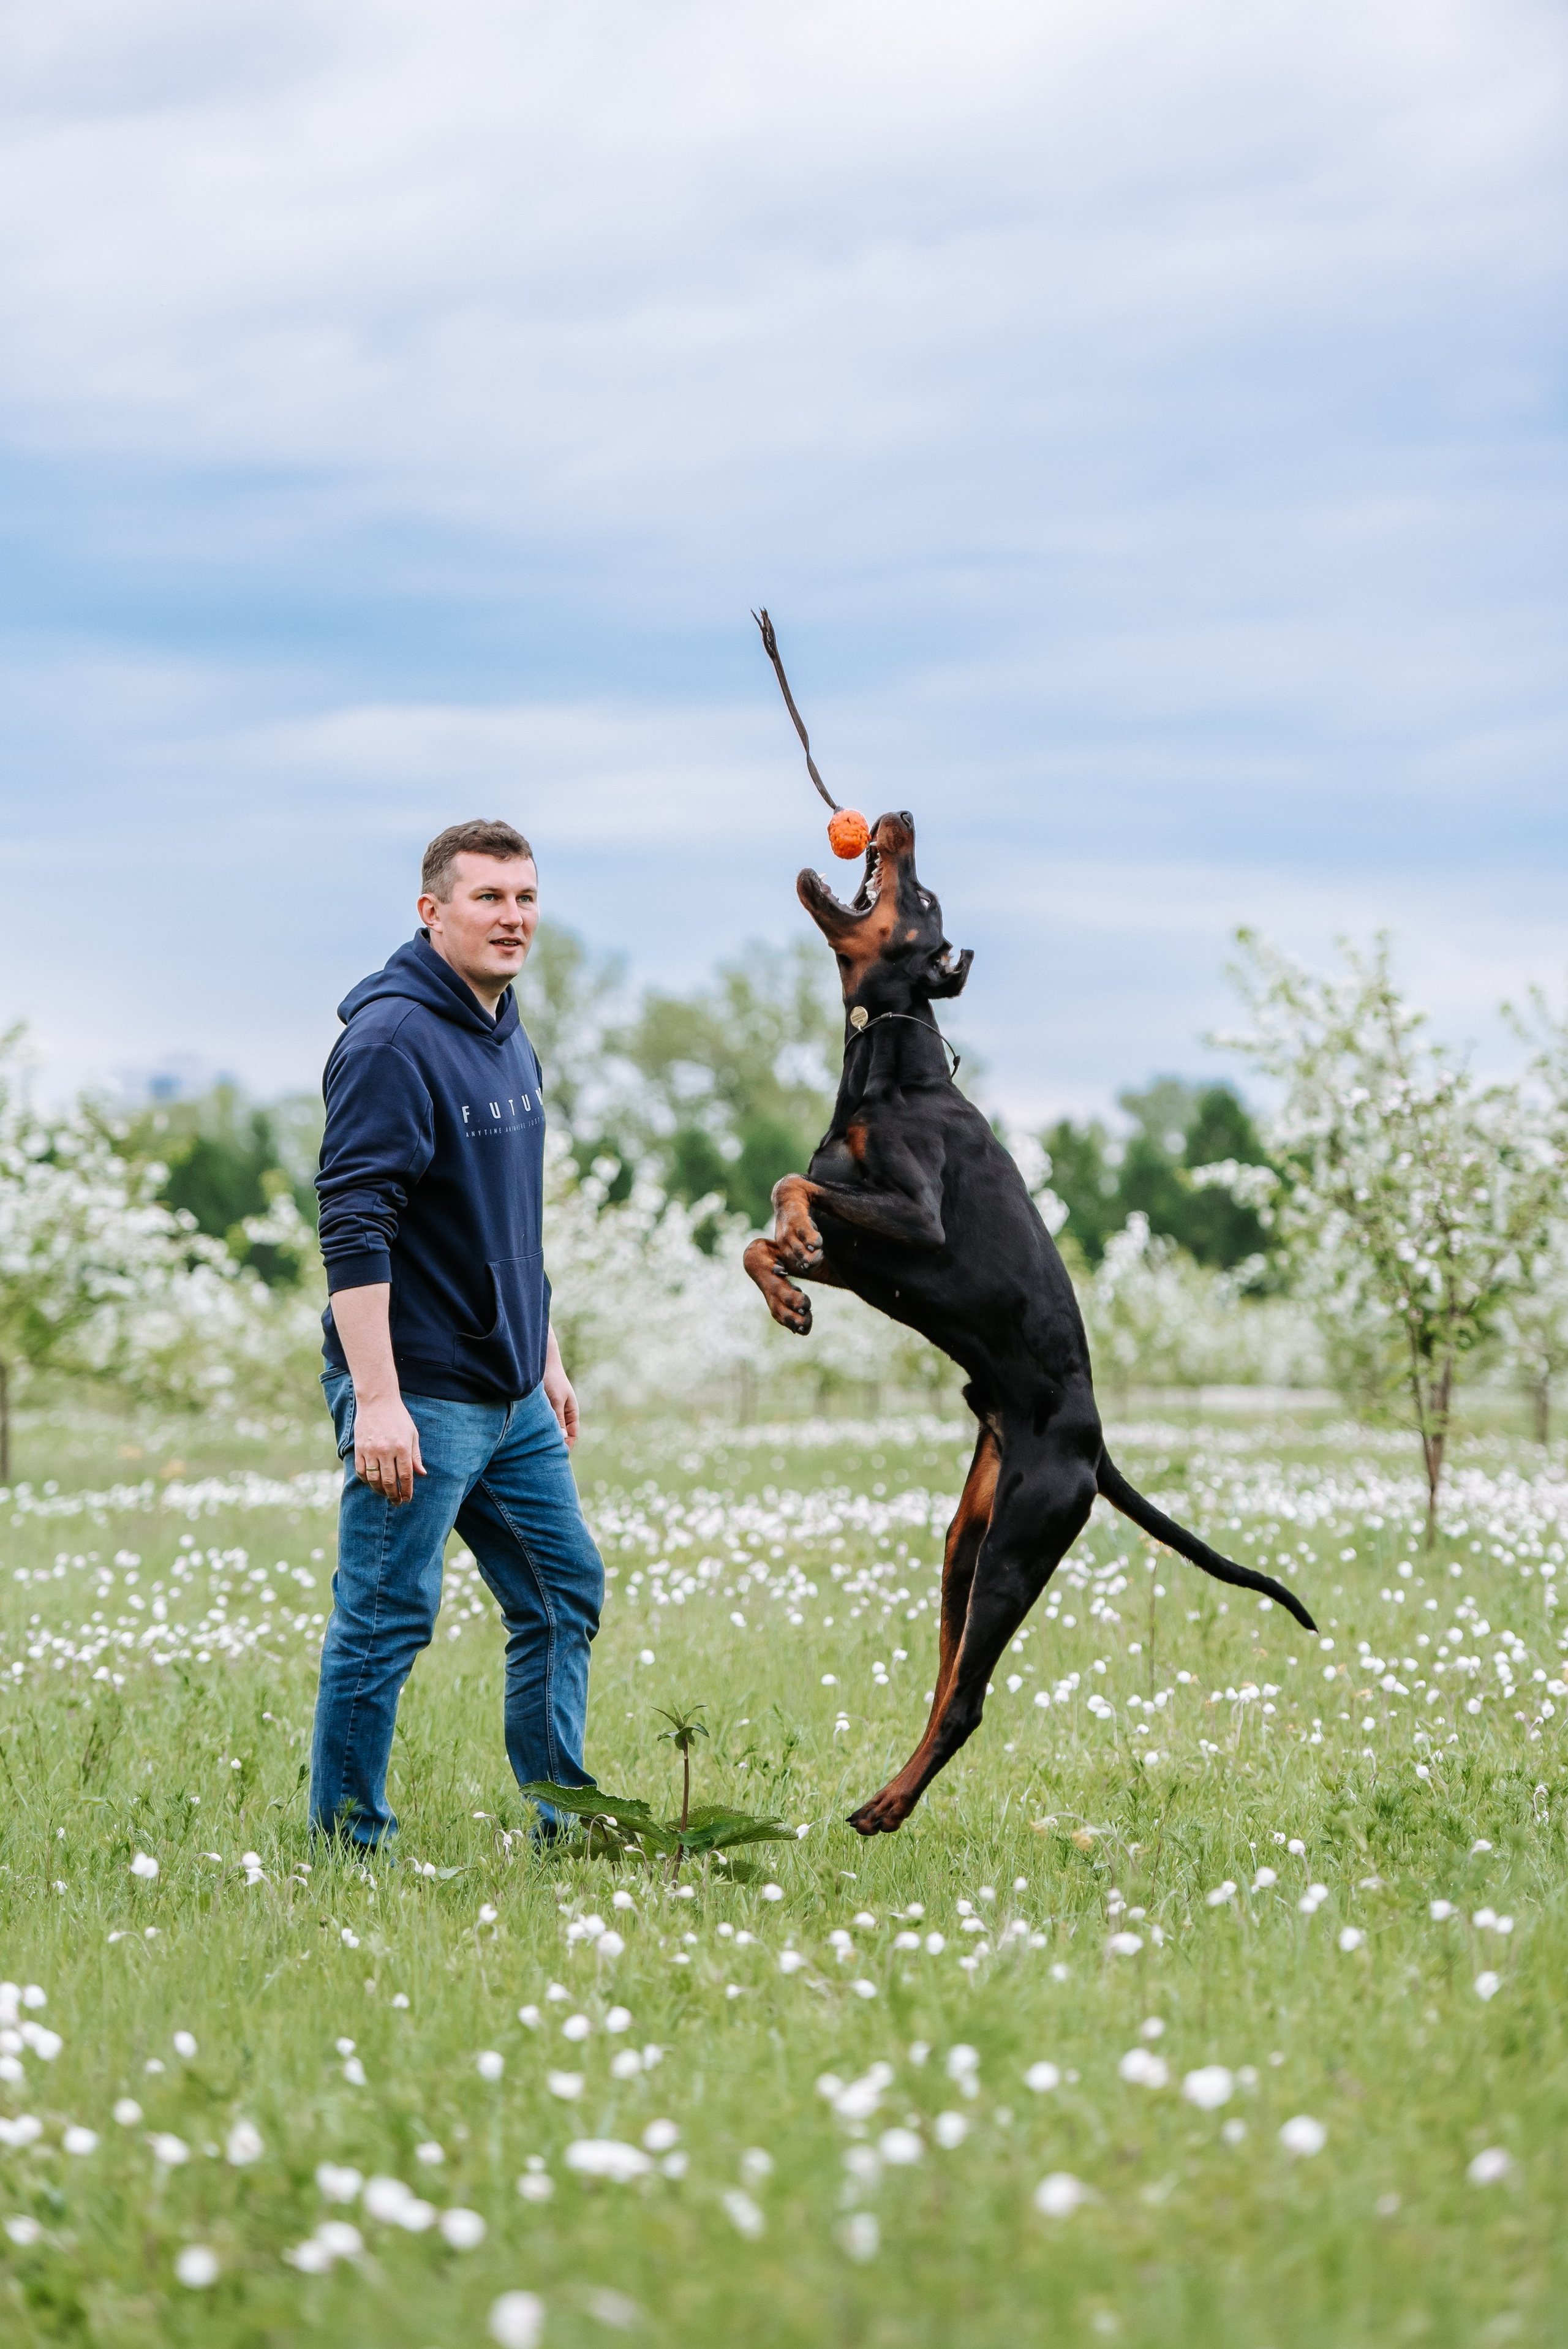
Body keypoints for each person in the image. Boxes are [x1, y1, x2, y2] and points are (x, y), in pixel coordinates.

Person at [309, 817, 601, 1849]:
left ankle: (567, 1819)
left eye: (525, 897)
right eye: (488, 898)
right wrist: (378, 1399)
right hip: (420, 1391)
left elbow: (505, 1213)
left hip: (511, 1391)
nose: (513, 918)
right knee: (386, 1623)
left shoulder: (500, 1022)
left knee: (565, 1591)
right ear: (432, 911)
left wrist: (546, 1354)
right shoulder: (392, 1041)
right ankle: (347, 1847)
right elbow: (353, 1225)